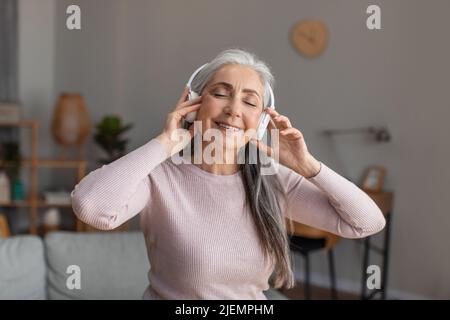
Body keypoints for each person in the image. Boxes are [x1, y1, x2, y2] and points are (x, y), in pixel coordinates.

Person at [71, 48, 385, 300]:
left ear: (261, 122)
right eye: (221, 93)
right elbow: (92, 207)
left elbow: (367, 222)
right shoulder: (160, 177)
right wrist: (165, 142)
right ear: (193, 104)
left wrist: (308, 166)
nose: (234, 109)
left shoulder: (271, 179)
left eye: (250, 101)